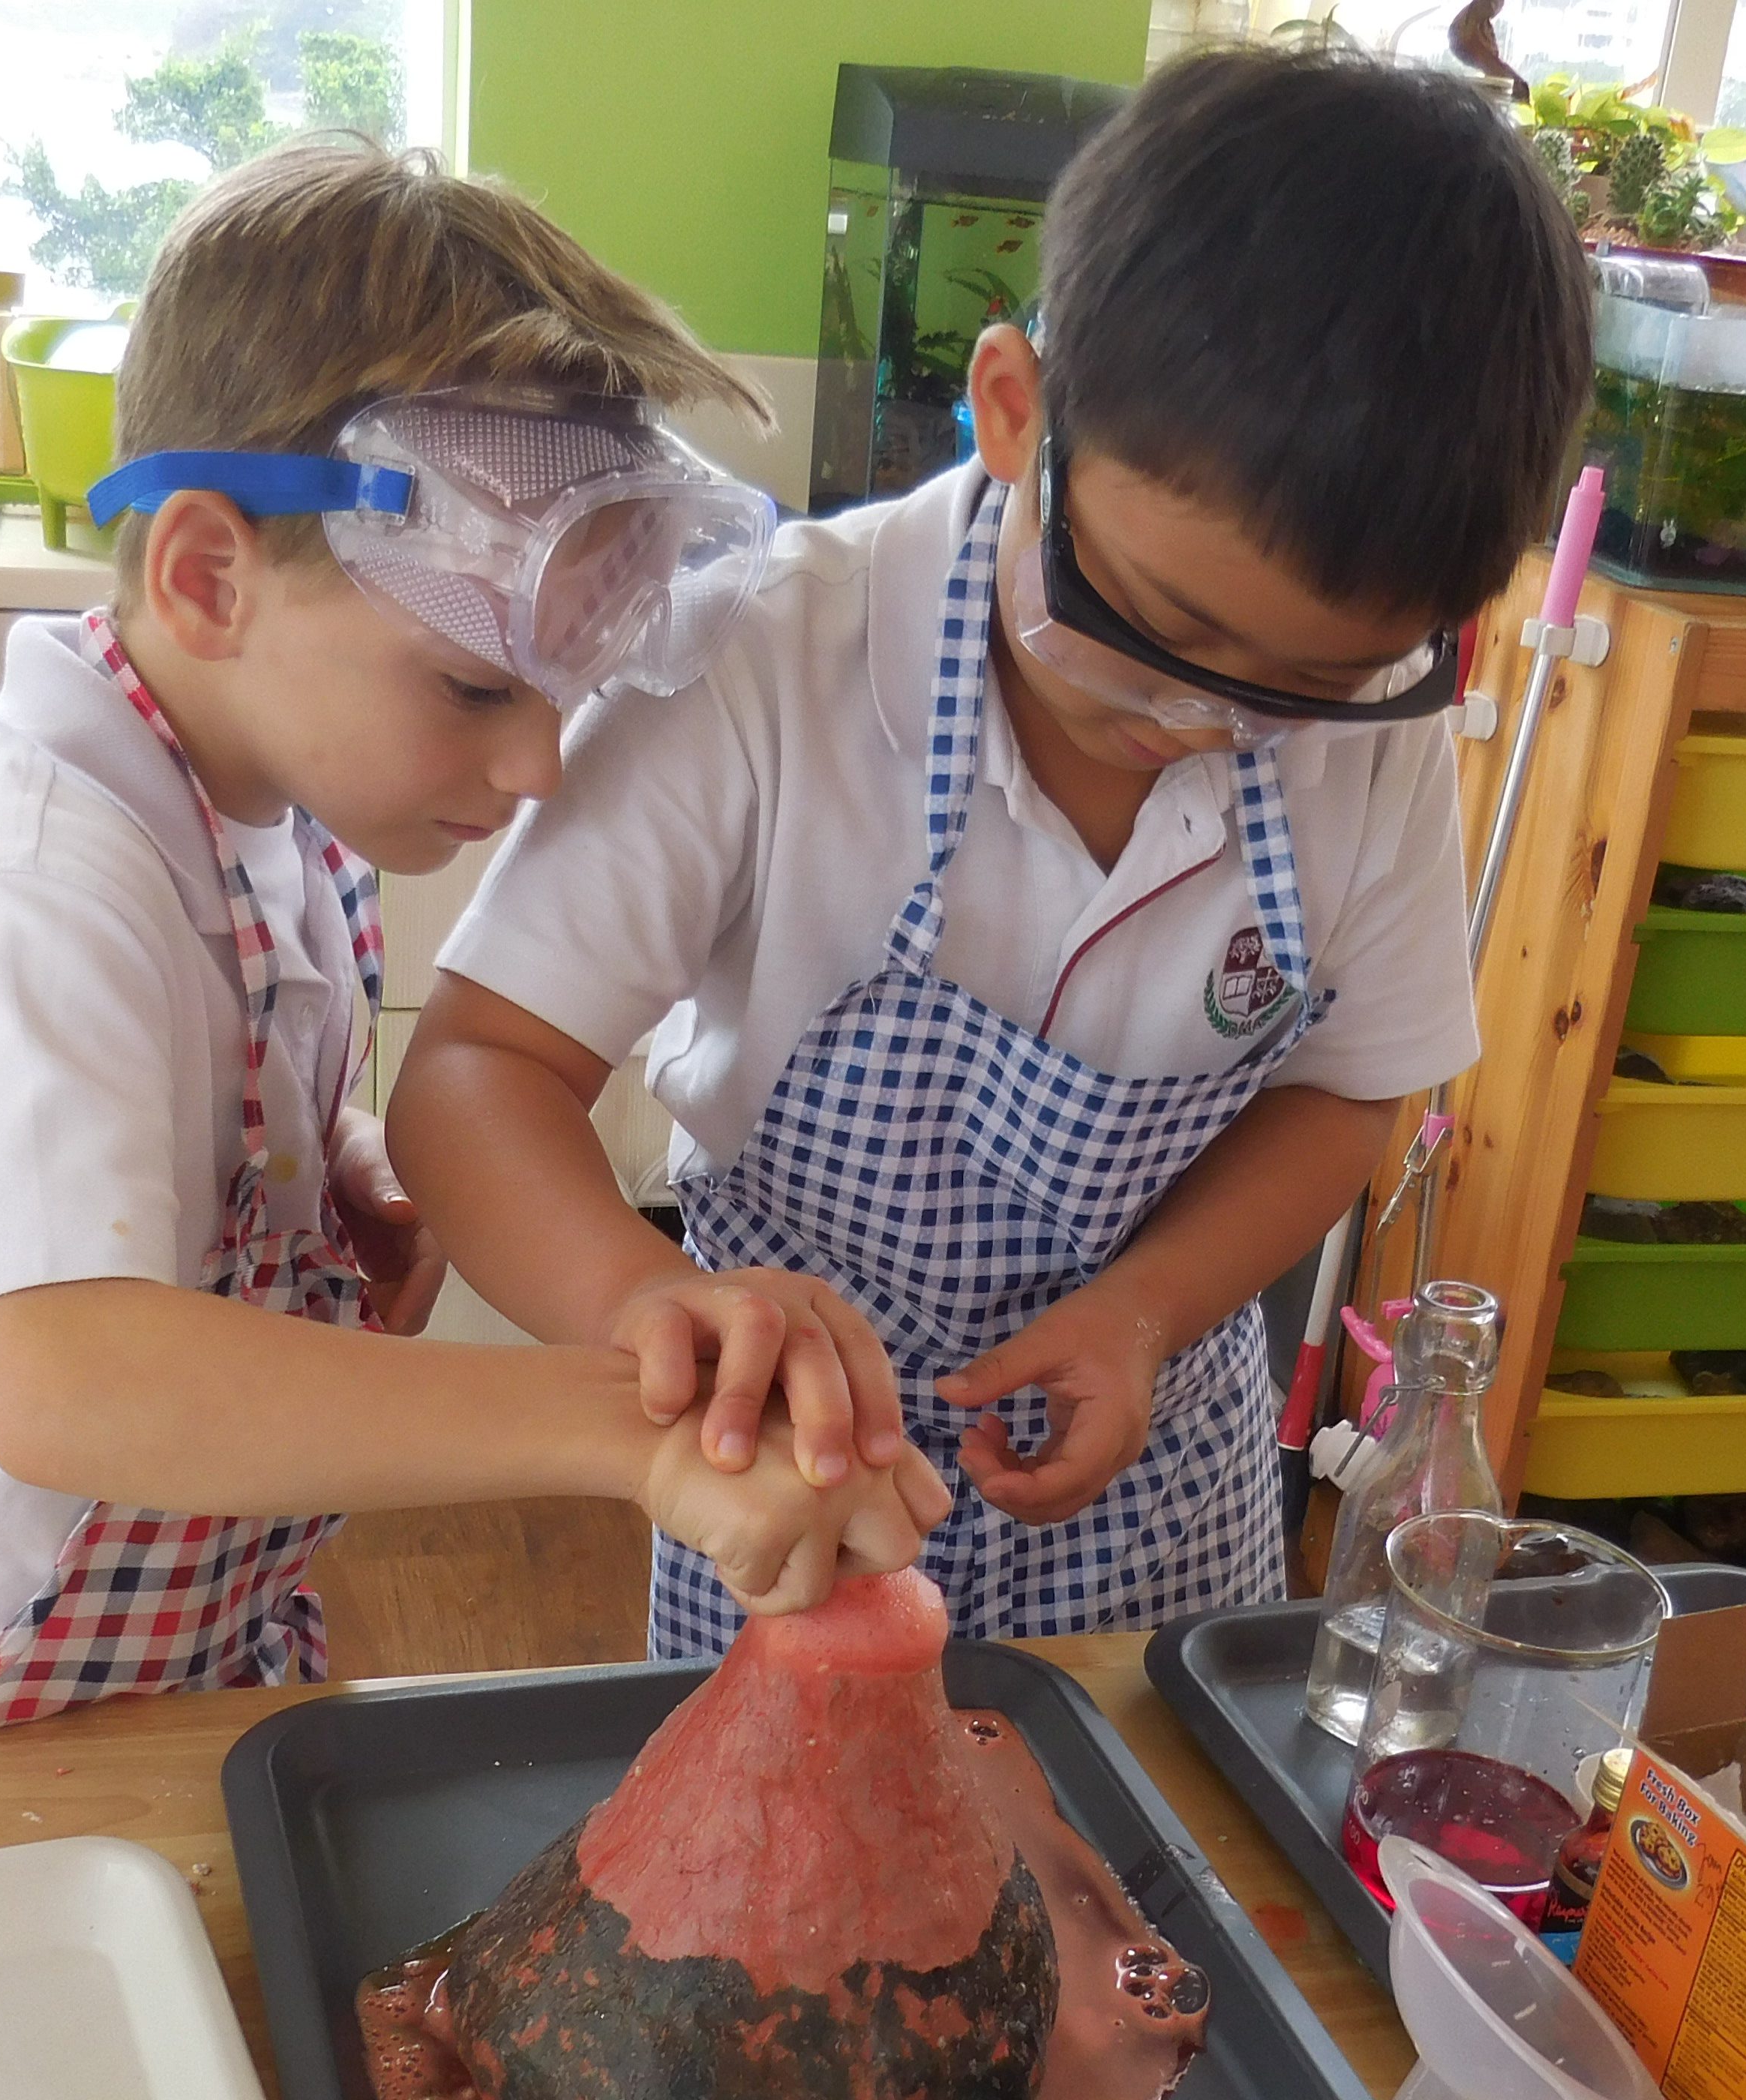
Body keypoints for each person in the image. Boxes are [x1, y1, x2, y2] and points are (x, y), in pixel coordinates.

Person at [388, 43, 1592, 1657]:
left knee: (1137, 1872)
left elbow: (1347, 1092)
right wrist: (647, 1307)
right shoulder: (761, 666)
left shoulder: (1376, 744)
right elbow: (476, 1074)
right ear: (1019, 411)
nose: (1194, 720)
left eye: (1297, 690)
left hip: (1161, 1483)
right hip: (799, 1474)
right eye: (1154, 629)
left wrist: (1146, 1312)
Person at [0, 143, 946, 1728]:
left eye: (558, 701)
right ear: (207, 575)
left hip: (206, 1644)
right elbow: (71, 1377)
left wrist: (341, 1161)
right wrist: (615, 1423)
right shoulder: (31, 880)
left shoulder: (264, 816)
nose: (536, 769)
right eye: (474, 690)